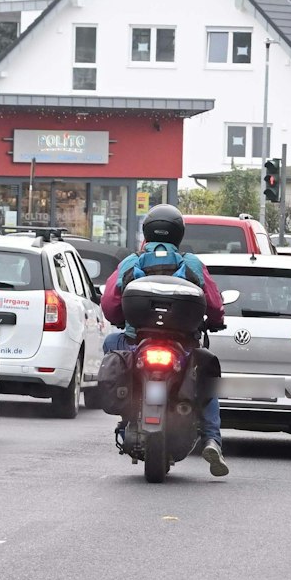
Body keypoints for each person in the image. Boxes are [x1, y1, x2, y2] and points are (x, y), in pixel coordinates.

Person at [99, 204, 229, 477]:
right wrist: (215, 322)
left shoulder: (131, 262)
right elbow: (215, 306)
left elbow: (110, 306)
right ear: (178, 234)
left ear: (146, 231)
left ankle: (127, 415)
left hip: (136, 342)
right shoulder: (191, 263)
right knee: (208, 377)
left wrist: (124, 319)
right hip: (184, 346)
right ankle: (211, 439)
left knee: (111, 344)